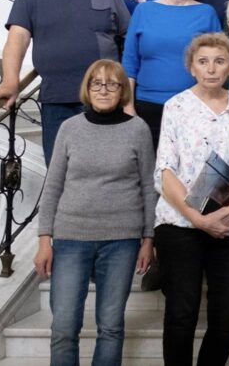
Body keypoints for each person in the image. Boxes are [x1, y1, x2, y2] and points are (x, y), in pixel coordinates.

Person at [34, 60, 156, 366]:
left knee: (111, 327)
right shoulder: (70, 128)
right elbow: (53, 185)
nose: (104, 90)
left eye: (112, 83)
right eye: (96, 83)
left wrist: (148, 239)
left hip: (122, 240)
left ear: (122, 90)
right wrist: (44, 239)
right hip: (71, 237)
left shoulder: (138, 129)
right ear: (87, 89)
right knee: (64, 327)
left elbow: (148, 186)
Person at [0, 0, 130, 165]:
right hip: (58, 101)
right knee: (59, 170)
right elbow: (18, 37)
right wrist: (10, 80)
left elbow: (130, 41)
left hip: (104, 98)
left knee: (105, 169)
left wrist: (127, 93)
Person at [153, 33, 229, 365]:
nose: (211, 68)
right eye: (203, 62)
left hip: (227, 223)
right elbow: (164, 170)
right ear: (191, 67)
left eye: (219, 61)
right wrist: (198, 219)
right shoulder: (176, 106)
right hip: (179, 223)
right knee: (182, 312)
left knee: (228, 315)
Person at [122, 0, 221, 147]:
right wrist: (128, 107)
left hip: (195, 106)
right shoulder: (144, 11)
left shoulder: (206, 13)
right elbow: (129, 63)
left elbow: (220, 63)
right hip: (147, 106)